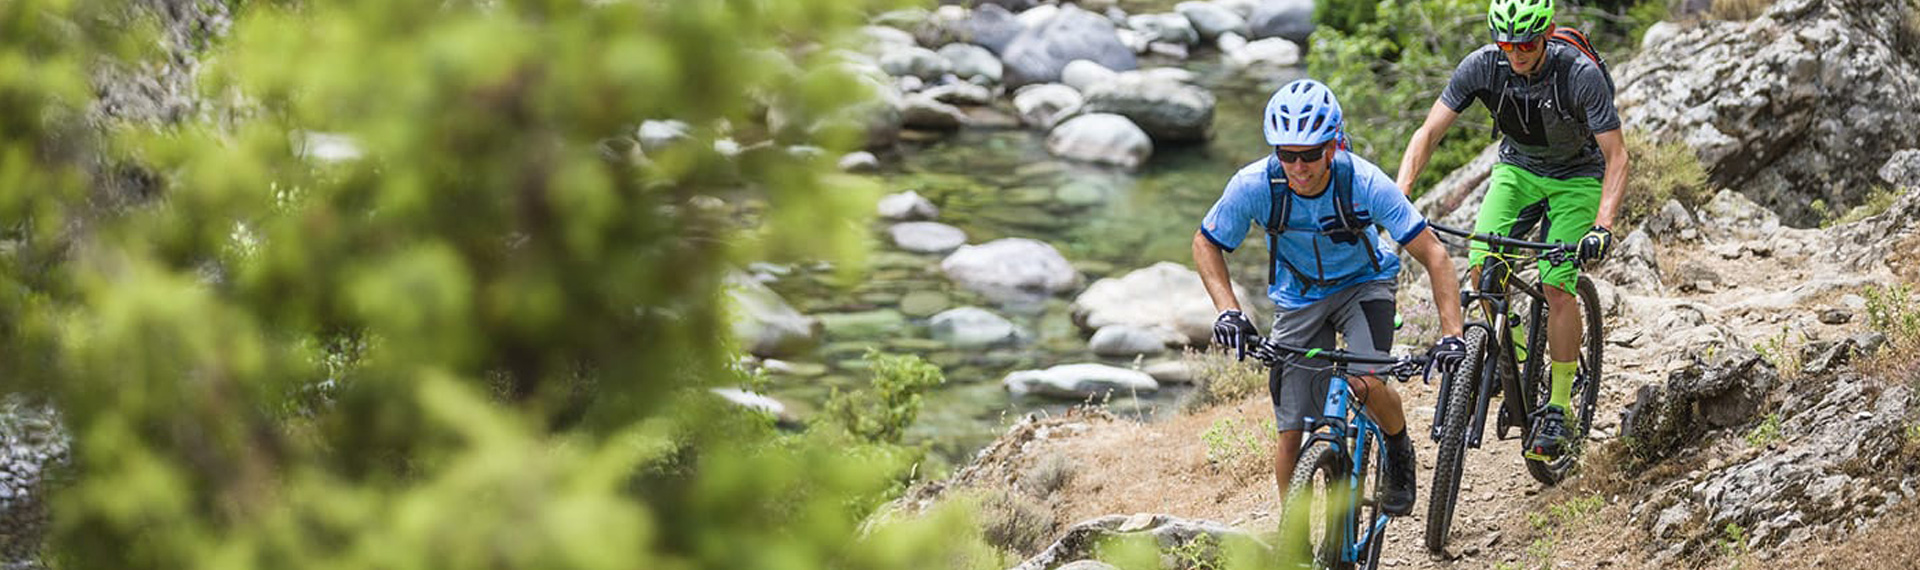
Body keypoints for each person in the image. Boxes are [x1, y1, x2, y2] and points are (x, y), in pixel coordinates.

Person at [1193, 79, 1466, 516]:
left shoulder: (1364, 182)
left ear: (1334, 145)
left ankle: (1397, 446)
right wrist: (1229, 311)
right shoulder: (1254, 185)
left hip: (1364, 285)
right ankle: (1294, 540)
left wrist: (1452, 334)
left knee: (1366, 380)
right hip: (1299, 297)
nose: (1298, 166)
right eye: (1287, 154)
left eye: (1310, 154)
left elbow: (1434, 254)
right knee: (1291, 432)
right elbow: (1205, 243)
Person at [1393, 0, 1630, 461]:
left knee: (1557, 284)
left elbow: (1617, 157)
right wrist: (1401, 192)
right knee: (1483, 270)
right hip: (1516, 171)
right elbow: (1429, 132)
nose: (1517, 53)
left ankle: (1559, 405)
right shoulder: (1482, 66)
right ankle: (1519, 360)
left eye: (1526, 43)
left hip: (1577, 177)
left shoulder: (1579, 74)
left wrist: (1603, 225)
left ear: (1547, 35)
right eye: (1508, 43)